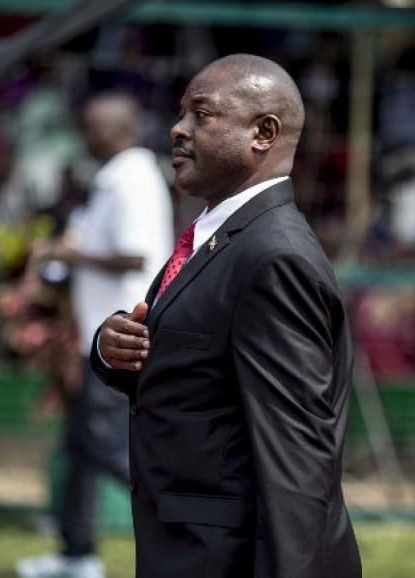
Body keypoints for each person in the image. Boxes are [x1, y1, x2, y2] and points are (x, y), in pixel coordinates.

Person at [92, 54, 361, 578]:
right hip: (182, 546)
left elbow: (297, 461)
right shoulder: (213, 238)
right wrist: (111, 347)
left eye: (201, 114)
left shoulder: (274, 258)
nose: (178, 128)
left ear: (263, 133)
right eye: (180, 113)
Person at [16, 92, 173, 578]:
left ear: (120, 129)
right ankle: (75, 554)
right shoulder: (108, 181)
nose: (85, 136)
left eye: (93, 126)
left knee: (104, 446)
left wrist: (68, 256)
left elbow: (138, 255)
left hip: (121, 340)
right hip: (96, 341)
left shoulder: (134, 179)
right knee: (80, 450)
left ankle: (182, 518)